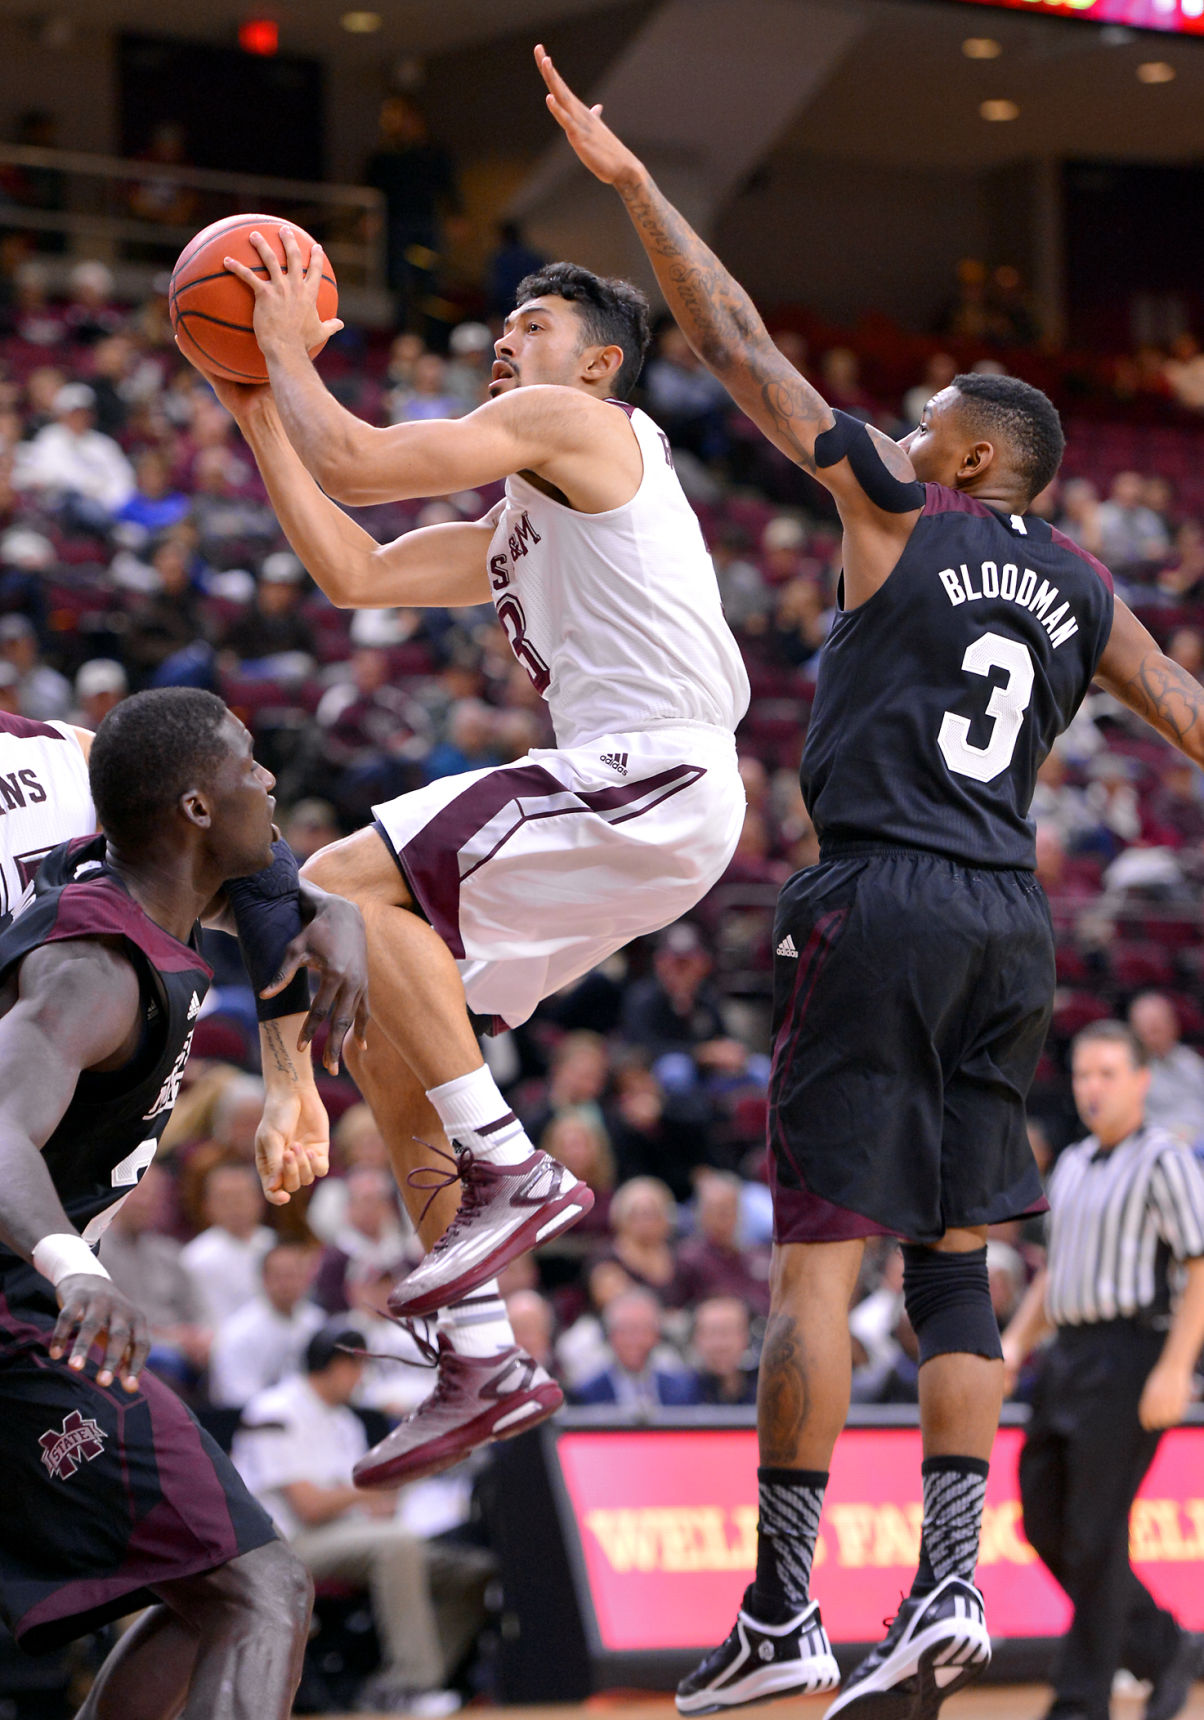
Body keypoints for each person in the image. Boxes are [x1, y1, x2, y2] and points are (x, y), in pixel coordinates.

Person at [538, 44, 1204, 1719]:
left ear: (963, 463)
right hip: (1004, 923)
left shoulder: (903, 508)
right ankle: (950, 1590)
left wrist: (630, 187)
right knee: (957, 1266)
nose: (897, 435)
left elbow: (739, 348)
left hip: (882, 897)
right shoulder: (1080, 590)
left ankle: (779, 1608)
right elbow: (1192, 720)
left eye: (920, 425)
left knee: (815, 1271)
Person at [186, 217, 748, 1488]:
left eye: (533, 327)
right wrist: (254, 408)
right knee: (378, 999)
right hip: (646, 803)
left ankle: (505, 1161)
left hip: (653, 763)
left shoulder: (586, 430)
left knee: (328, 881)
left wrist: (279, 347)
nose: (506, 341)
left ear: (598, 367)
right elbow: (354, 568)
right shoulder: (518, 523)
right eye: (502, 328)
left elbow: (363, 458)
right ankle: (480, 1350)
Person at [0, 688, 318, 1719]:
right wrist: (73, 1263)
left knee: (207, 1580)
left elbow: (271, 873)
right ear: (191, 807)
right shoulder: (96, 965)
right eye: (249, 763)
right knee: (262, 1589)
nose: (268, 780)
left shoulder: (127, 901)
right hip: (19, 1312)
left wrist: (335, 913)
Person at [1002, 1021, 1204, 1720]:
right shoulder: (1072, 1164)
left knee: (1096, 1528)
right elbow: (1058, 1273)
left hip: (1131, 1352)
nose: (1092, 1087)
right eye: (1084, 1074)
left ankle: (1080, 1700)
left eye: (1108, 1073)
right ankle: (1159, 1645)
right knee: (1044, 1519)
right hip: (1068, 1356)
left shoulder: (1164, 1159)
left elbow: (1201, 1260)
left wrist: (1176, 1366)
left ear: (1141, 1080)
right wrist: (1016, 1345)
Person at [233, 1324, 493, 1717]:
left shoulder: (345, 1422)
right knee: (397, 1544)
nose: (361, 1380)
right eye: (358, 1368)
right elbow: (309, 1507)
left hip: (349, 1535)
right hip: (284, 1544)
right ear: (338, 1365)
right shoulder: (274, 1410)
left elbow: (374, 1504)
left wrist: (400, 1482)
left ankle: (393, 1684)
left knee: (471, 1571)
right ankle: (410, 1685)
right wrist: (367, 1491)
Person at [1128, 991, 1204, 1146]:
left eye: (1158, 1028)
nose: (1153, 1037)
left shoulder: (1191, 1061)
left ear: (1173, 1025)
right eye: (1147, 1031)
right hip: (1162, 1149)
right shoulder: (1131, 1073)